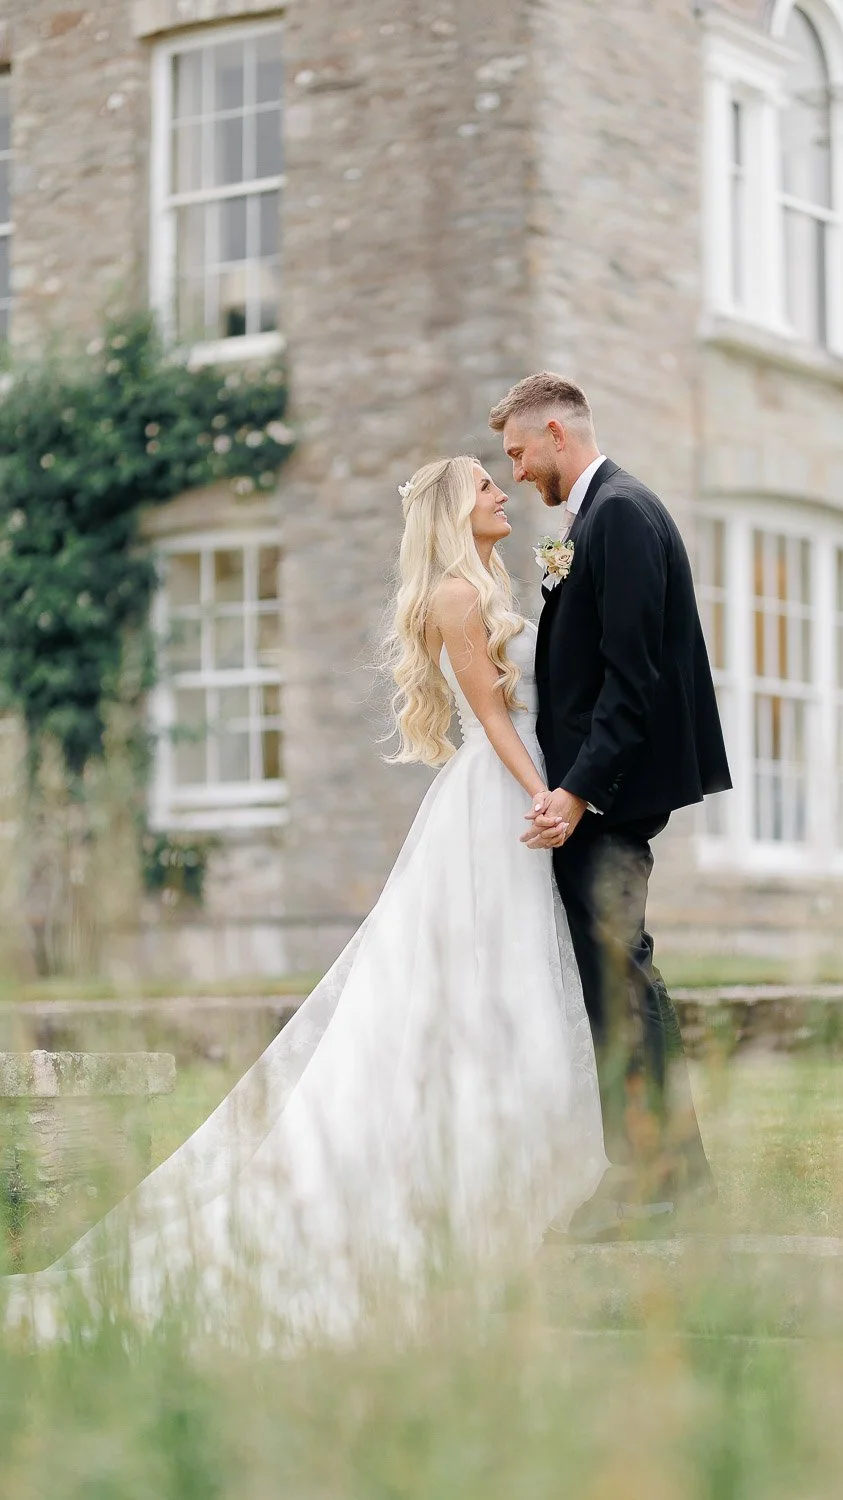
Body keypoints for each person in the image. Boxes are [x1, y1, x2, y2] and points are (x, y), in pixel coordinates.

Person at [3, 455, 607, 1345]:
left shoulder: (490, 581)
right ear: (454, 508)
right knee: (487, 968)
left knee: (508, 973)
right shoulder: (453, 595)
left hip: (517, 784)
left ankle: (508, 1157)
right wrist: (541, 798)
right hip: (498, 793)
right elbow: (490, 713)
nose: (501, 494)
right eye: (486, 485)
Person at [489, 373, 732, 1242]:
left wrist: (578, 791)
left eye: (519, 452)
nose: (516, 471)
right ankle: (663, 1177)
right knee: (619, 978)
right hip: (601, 797)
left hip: (610, 800)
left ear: (557, 432)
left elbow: (634, 680)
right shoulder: (592, 518)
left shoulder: (621, 515)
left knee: (621, 980)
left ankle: (657, 1184)